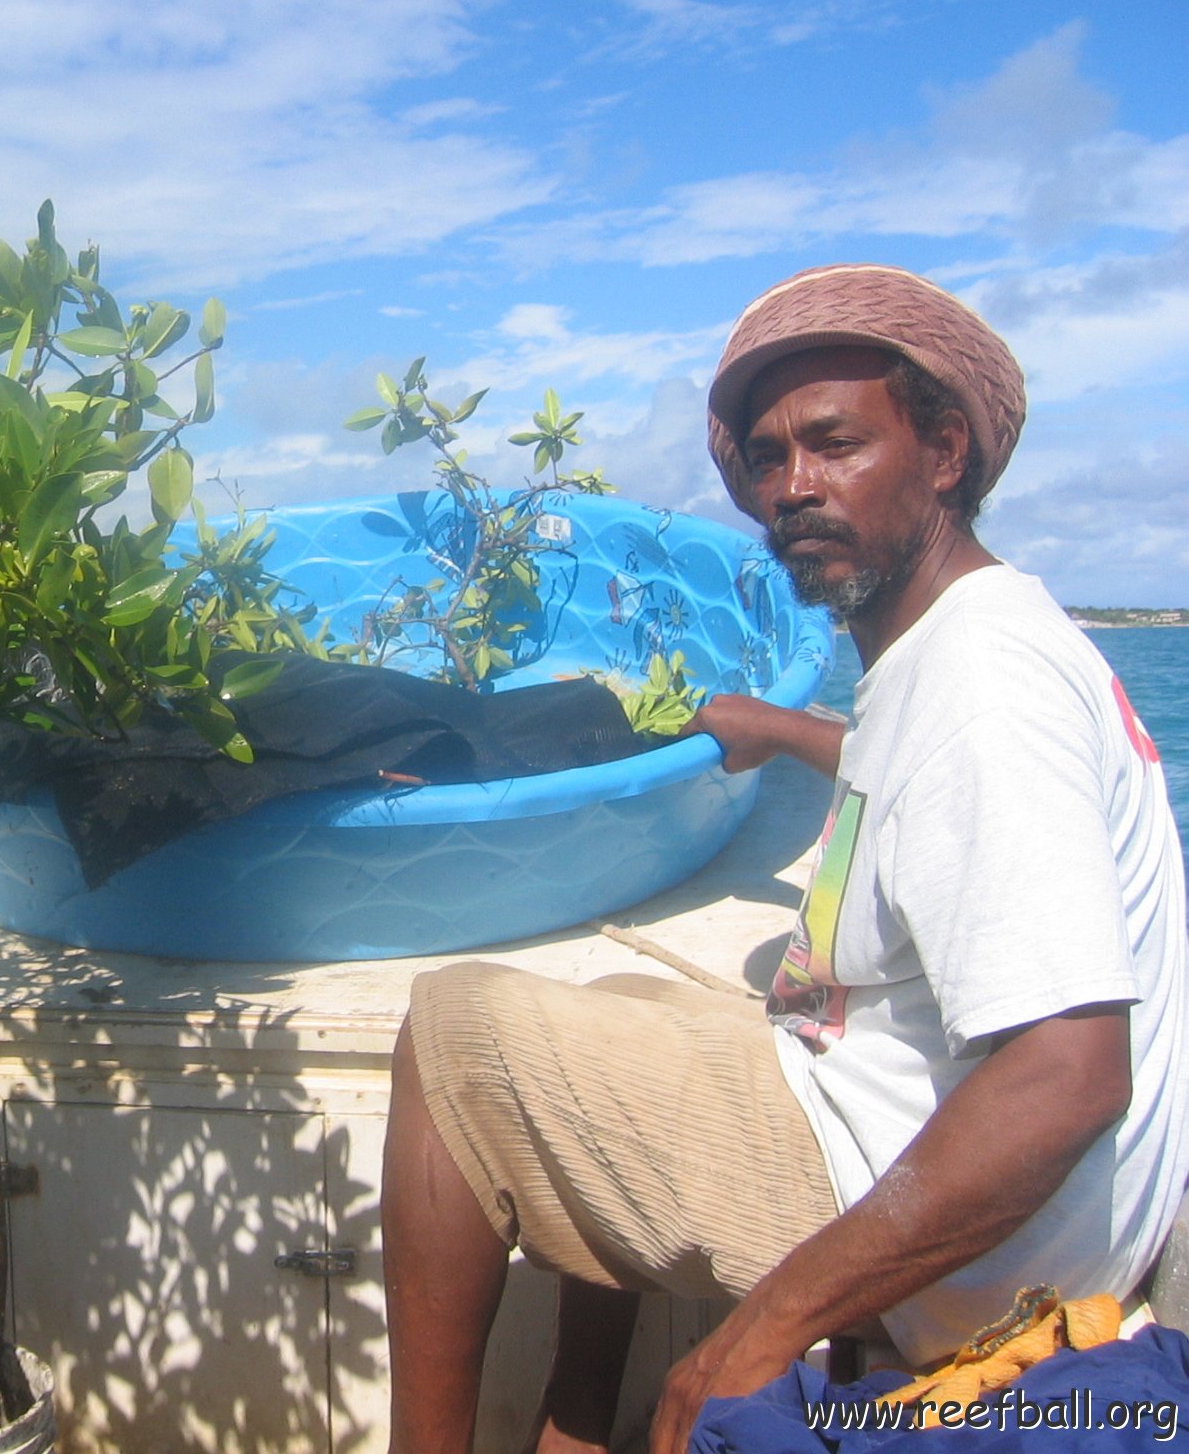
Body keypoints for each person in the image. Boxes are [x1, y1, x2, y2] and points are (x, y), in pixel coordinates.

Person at [380, 263, 1188, 1454]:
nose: (790, 488)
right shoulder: (967, 636)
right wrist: (771, 729)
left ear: (944, 451)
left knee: (453, 1031)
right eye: (767, 458)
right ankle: (574, 1431)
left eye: (832, 444)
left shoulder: (983, 689)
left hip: (970, 1236)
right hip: (964, 1161)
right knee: (616, 1001)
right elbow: (899, 761)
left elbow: (1067, 1075)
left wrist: (755, 1336)